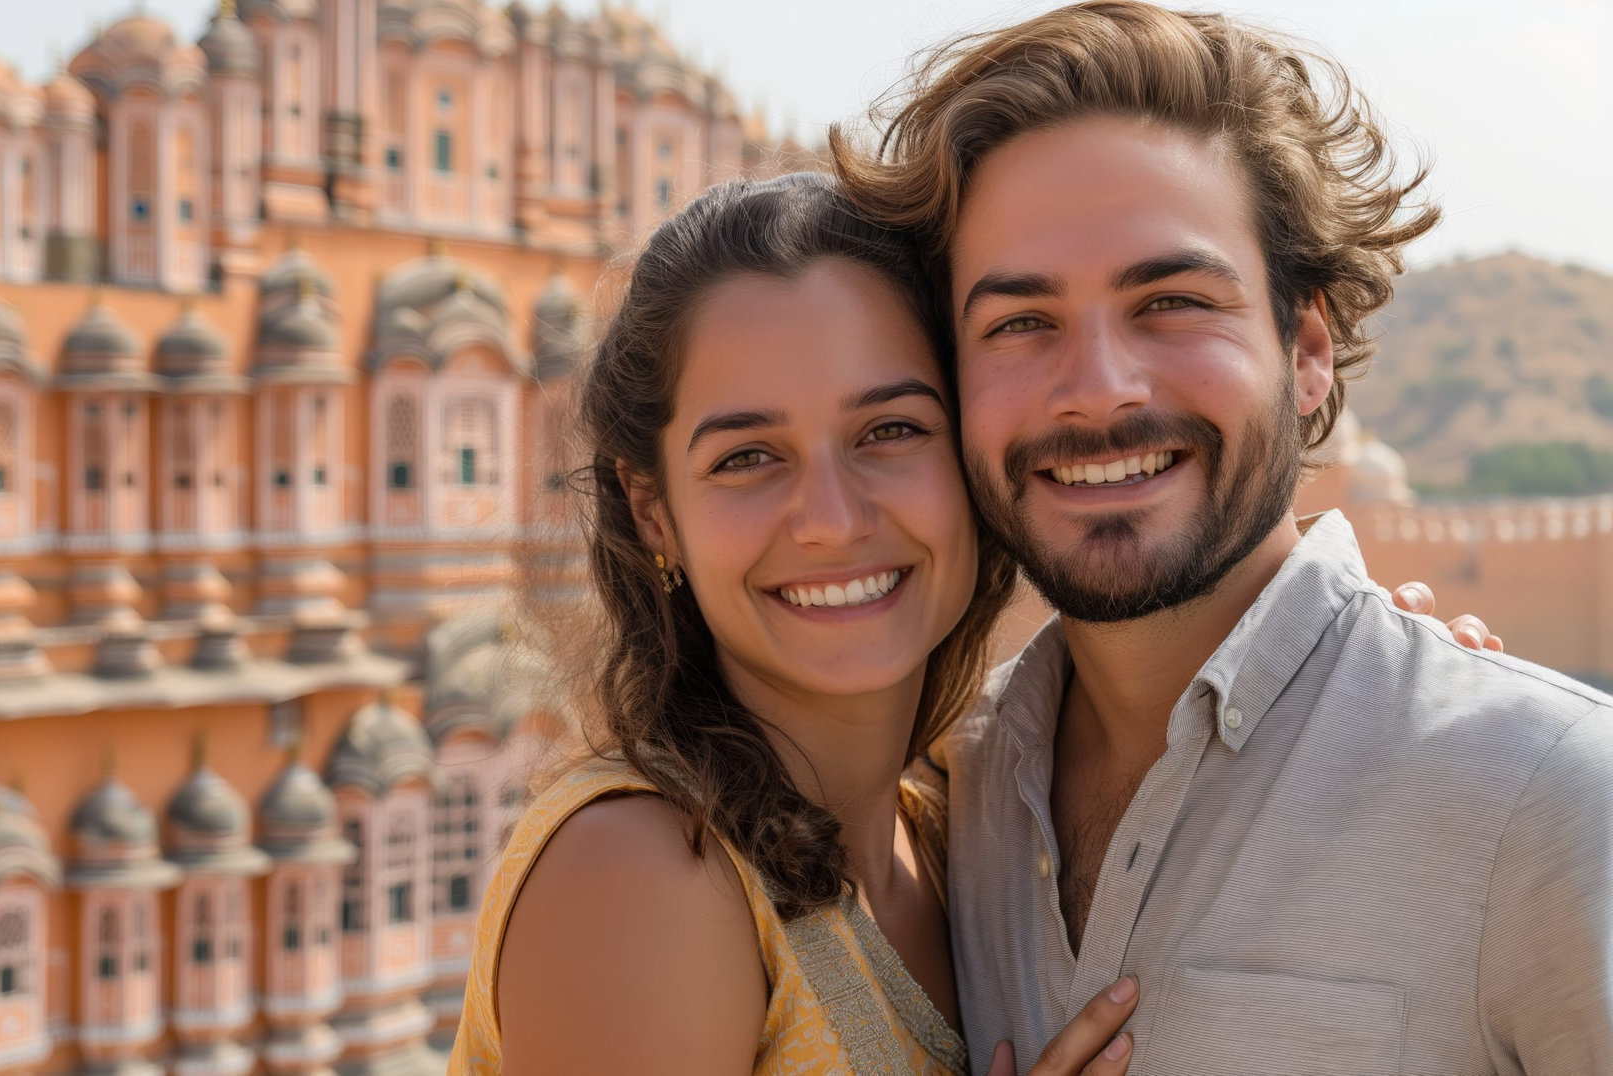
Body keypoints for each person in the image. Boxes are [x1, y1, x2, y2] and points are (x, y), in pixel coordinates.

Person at [831, 2, 1613, 1072]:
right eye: (1020, 322)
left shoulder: (1541, 797)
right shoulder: (951, 806)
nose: (1098, 389)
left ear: (1305, 347)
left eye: (1171, 301)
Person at [447, 173, 1143, 1075]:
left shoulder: (947, 832)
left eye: (889, 431)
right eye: (747, 458)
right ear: (655, 513)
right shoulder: (643, 873)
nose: (832, 519)